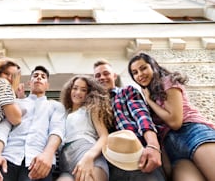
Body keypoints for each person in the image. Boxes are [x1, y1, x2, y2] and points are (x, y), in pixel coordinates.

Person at [128, 52, 215, 181]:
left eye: (143, 68)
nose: (140, 74)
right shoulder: (148, 95)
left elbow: (175, 121)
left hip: (192, 133)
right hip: (172, 148)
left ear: (153, 66)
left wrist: (149, 101)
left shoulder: (167, 81)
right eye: (135, 72)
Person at [0, 65, 66, 181]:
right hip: (7, 158)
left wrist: (48, 155)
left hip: (38, 161)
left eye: (43, 77)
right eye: (35, 76)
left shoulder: (55, 106)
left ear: (47, 85)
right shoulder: (15, 103)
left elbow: (57, 130)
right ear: (30, 83)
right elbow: (3, 129)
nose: (39, 78)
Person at [93, 59, 166, 181]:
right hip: (110, 163)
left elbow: (142, 116)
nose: (102, 77)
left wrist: (153, 146)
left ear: (114, 76)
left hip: (138, 156)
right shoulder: (95, 104)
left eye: (106, 73)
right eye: (97, 75)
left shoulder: (126, 91)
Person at [57, 75, 113, 181]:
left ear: (88, 93)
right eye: (75, 88)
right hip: (65, 163)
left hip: (86, 153)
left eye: (83, 90)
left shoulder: (90, 109)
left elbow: (104, 136)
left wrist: (89, 157)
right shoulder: (63, 113)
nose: (78, 92)